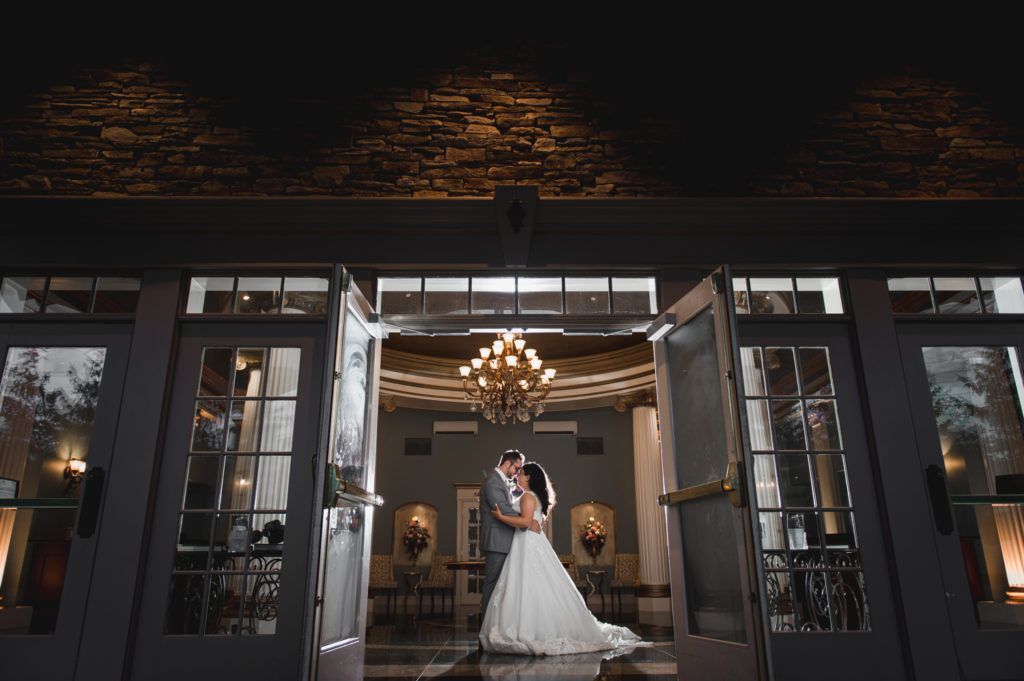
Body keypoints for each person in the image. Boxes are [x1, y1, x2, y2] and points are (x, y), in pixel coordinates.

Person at [479, 461, 647, 655]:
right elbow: (530, 521)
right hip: (532, 543)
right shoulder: (534, 497)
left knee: (526, 584)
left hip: (526, 543)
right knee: (536, 584)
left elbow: (525, 522)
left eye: (522, 473)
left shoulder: (527, 496)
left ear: (529, 478)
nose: (518, 476)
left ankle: (527, 628)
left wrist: (500, 517)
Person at [478, 450, 542, 626]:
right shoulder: (492, 481)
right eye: (517, 468)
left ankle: (496, 626)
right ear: (508, 463)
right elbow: (503, 509)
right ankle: (486, 628)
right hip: (497, 541)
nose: (516, 473)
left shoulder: (500, 481)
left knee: (500, 586)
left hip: (505, 541)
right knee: (492, 585)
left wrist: (526, 519)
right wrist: (528, 522)